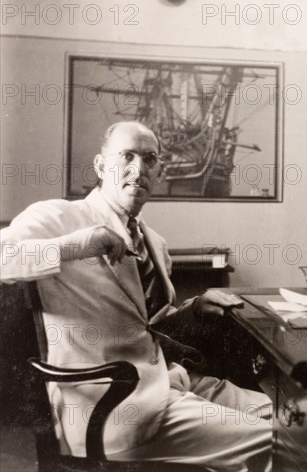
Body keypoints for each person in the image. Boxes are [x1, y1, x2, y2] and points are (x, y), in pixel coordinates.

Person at [0, 121, 272, 471]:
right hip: (113, 404)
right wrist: (76, 245)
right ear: (100, 166)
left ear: (159, 172)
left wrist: (195, 310)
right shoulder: (60, 217)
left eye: (149, 159)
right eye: (126, 155)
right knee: (280, 442)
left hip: (172, 381)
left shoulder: (155, 243)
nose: (138, 168)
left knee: (305, 422)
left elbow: (149, 328)